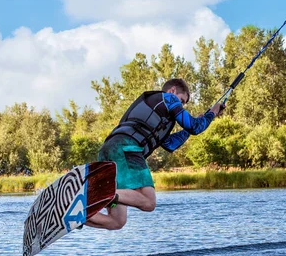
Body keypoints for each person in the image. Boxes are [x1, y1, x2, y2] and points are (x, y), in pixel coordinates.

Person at [86, 78, 224, 230]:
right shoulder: (168, 98)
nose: (182, 105)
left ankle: (76, 215)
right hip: (127, 148)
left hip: (109, 151)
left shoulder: (157, 114)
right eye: (182, 100)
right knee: (149, 202)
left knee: (117, 221)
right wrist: (212, 113)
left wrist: (197, 123)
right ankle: (96, 193)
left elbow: (171, 143)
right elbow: (195, 127)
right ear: (172, 91)